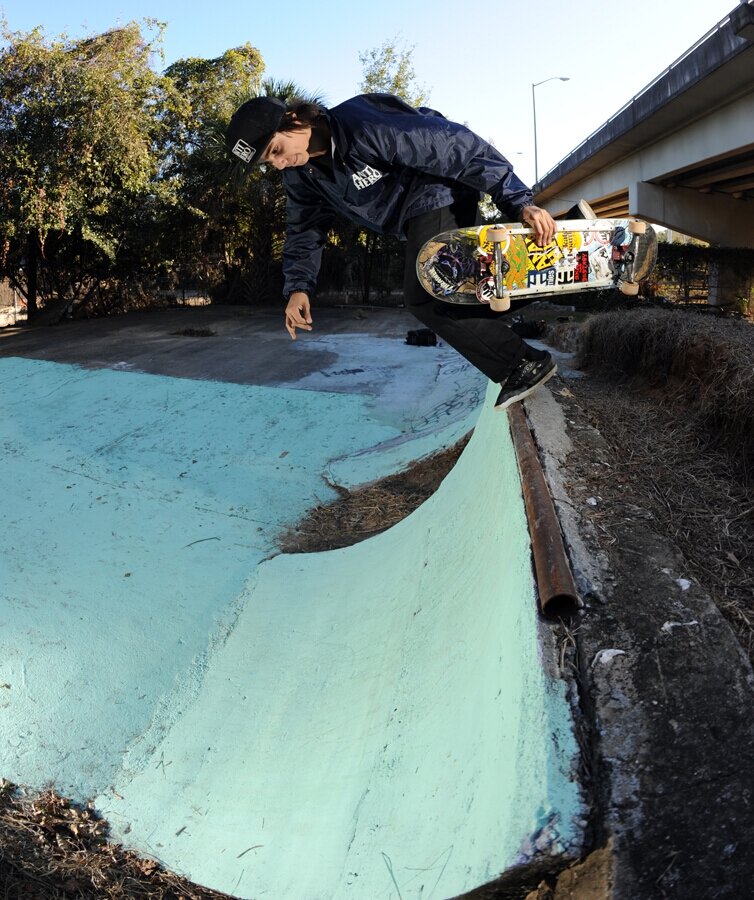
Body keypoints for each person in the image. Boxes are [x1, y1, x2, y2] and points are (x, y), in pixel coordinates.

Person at [226, 93, 559, 410]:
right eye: (271, 161)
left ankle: (525, 365)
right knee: (466, 297)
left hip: (438, 190)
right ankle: (554, 256)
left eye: (277, 149)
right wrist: (299, 288)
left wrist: (519, 202)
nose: (281, 163)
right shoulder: (302, 176)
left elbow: (455, 146)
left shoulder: (361, 125)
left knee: (426, 296)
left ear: (294, 119)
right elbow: (304, 228)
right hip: (414, 215)